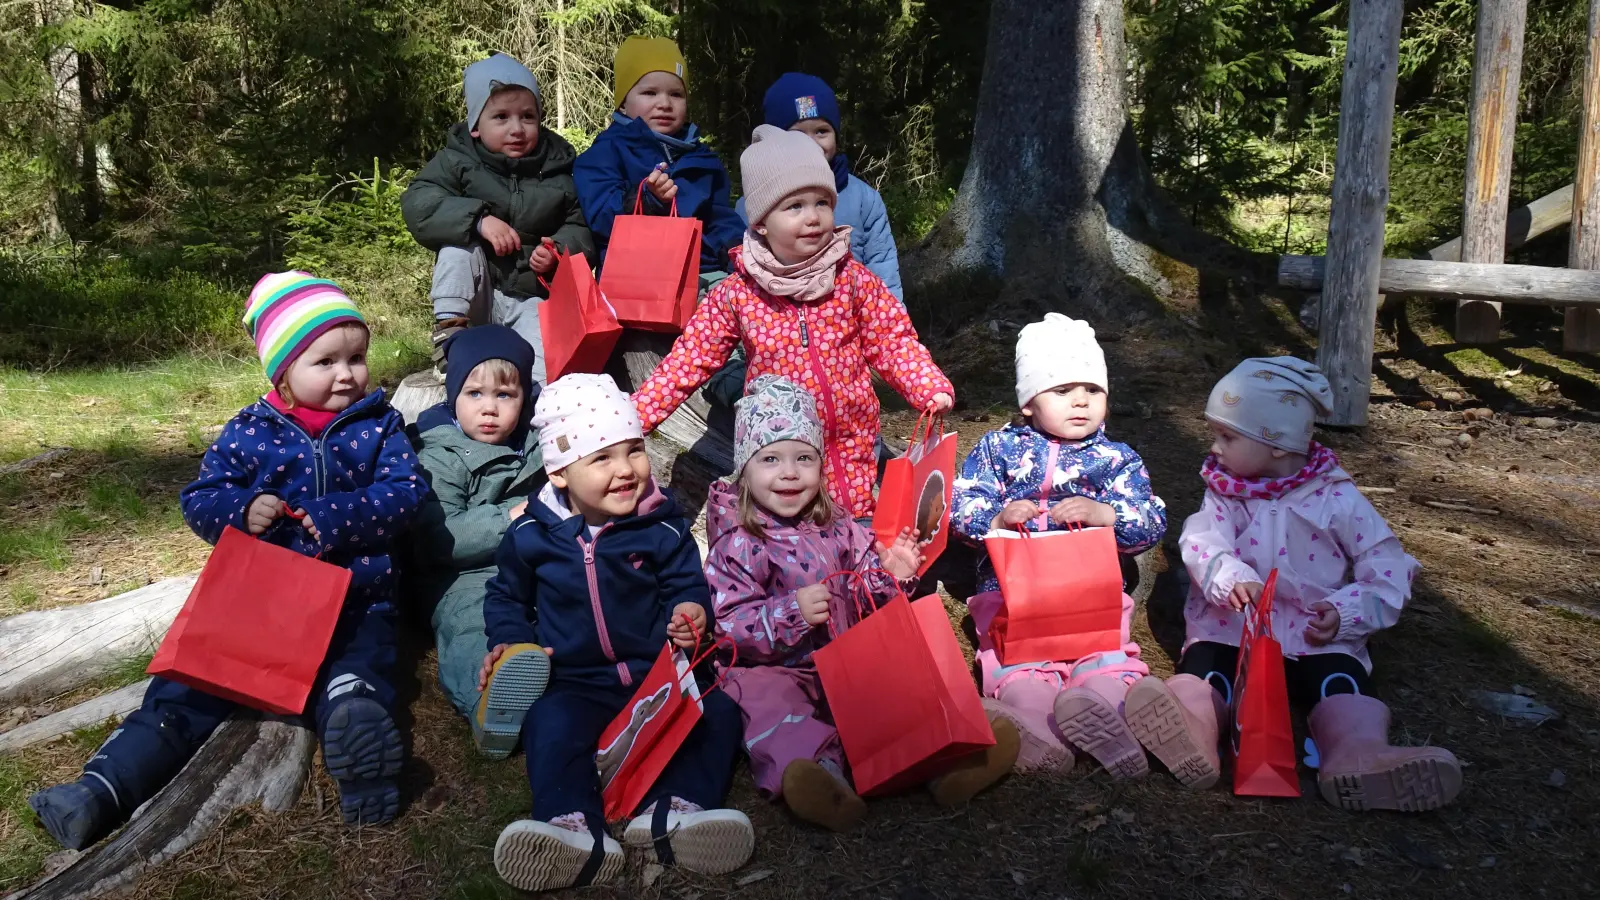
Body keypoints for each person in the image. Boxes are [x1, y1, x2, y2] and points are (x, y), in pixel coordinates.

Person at [28, 273, 426, 848]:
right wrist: (240, 510)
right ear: (282, 371)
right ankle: (99, 790)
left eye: (357, 357)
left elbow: (408, 491)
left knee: (358, 677)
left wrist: (342, 516)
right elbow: (200, 496)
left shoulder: (379, 425)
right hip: (255, 606)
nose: (347, 374)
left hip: (354, 601)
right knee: (183, 694)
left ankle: (362, 764)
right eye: (326, 361)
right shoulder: (250, 430)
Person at [1124, 357, 1463, 811]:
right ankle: (1194, 732)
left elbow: (1387, 564)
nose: (1215, 448)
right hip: (1235, 628)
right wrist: (1229, 577)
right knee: (1206, 673)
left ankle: (1356, 754)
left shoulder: (1337, 499)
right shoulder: (1225, 492)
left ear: (1278, 445)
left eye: (1227, 436)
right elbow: (1201, 541)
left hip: (1316, 635)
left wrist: (1348, 611)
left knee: (1340, 684)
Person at [705, 375, 1019, 831]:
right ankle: (823, 780)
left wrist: (891, 573)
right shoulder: (739, 539)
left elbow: (867, 587)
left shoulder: (838, 524)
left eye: (804, 459)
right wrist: (788, 612)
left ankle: (946, 766)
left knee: (896, 693)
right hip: (774, 667)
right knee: (771, 708)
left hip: (846, 656)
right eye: (770, 458)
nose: (789, 472)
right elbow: (729, 624)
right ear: (744, 470)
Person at [476, 374, 753, 891]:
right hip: (577, 681)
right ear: (560, 471)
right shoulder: (532, 536)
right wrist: (511, 641)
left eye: (634, 450)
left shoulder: (662, 526)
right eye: (602, 458)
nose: (626, 470)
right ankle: (574, 828)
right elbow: (505, 596)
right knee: (549, 725)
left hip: (658, 674)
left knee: (717, 711)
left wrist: (691, 614)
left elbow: (686, 583)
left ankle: (674, 812)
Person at [632, 126, 953, 520]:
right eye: (794, 206)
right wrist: (636, 416)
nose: (813, 217)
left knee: (852, 528)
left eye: (822, 202)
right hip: (781, 449)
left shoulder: (851, 279)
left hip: (850, 440)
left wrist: (927, 385)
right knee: (788, 537)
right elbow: (690, 357)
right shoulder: (738, 293)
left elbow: (891, 339)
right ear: (762, 222)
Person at [950, 314, 1167, 777]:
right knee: (1022, 674)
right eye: (1062, 390)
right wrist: (996, 518)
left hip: (1093, 595)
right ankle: (1038, 732)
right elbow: (962, 503)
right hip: (1013, 596)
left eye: (1093, 390)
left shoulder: (1117, 459)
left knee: (1106, 666)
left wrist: (1106, 515)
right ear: (1028, 402)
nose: (1081, 402)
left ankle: (1108, 716)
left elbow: (1150, 522)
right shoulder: (995, 449)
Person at [402, 53, 595, 379]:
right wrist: (479, 220)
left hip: (531, 293)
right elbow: (419, 203)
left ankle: (533, 418)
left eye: (528, 117)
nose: (517, 129)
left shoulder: (558, 169)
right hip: (478, 293)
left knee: (545, 373)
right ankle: (450, 337)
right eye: (501, 117)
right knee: (457, 247)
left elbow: (580, 225)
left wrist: (557, 250)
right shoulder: (456, 161)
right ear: (476, 126)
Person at [409, 325, 547, 758]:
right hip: (463, 573)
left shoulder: (538, 441)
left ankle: (554, 681)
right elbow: (440, 538)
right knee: (471, 625)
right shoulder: (439, 453)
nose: (489, 409)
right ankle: (486, 701)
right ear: (453, 397)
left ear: (524, 399)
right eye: (474, 395)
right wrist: (512, 516)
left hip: (531, 559)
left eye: (505, 396)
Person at [573, 36, 743, 281]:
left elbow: (719, 217)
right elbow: (600, 219)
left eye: (676, 94)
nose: (664, 103)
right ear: (622, 103)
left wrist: (734, 245)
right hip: (637, 283)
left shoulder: (703, 158)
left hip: (703, 273)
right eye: (650, 93)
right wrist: (644, 200)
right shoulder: (606, 153)